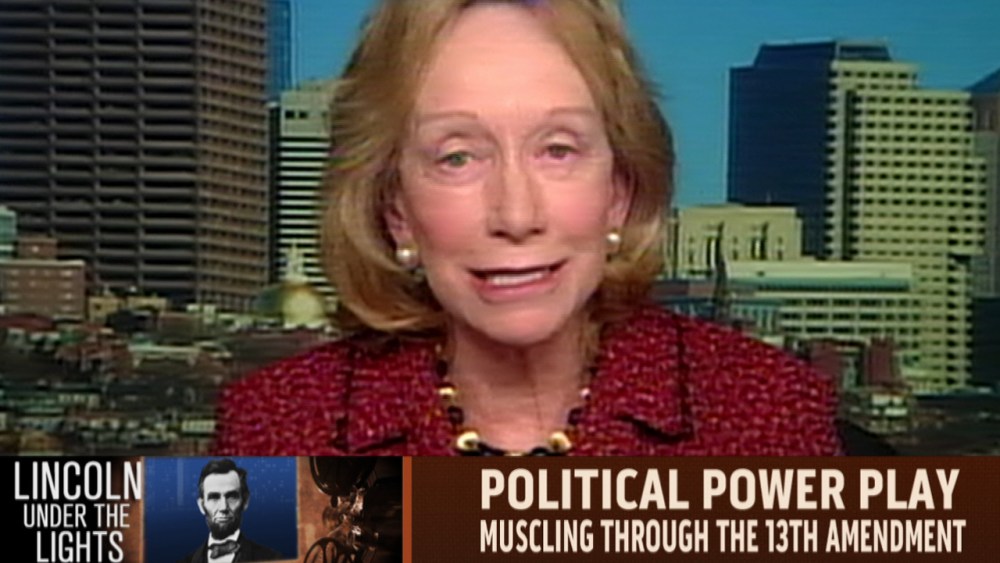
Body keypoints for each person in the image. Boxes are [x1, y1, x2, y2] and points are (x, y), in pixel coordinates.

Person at [214, 0, 841, 456]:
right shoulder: (276, 429)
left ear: (619, 191)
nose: (516, 215)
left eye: (558, 150)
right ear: (395, 209)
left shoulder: (769, 414)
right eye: (458, 157)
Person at [177, 459, 283, 563]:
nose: (223, 507)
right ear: (201, 505)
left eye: (232, 496)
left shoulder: (273, 559)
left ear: (245, 501)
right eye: (214, 497)